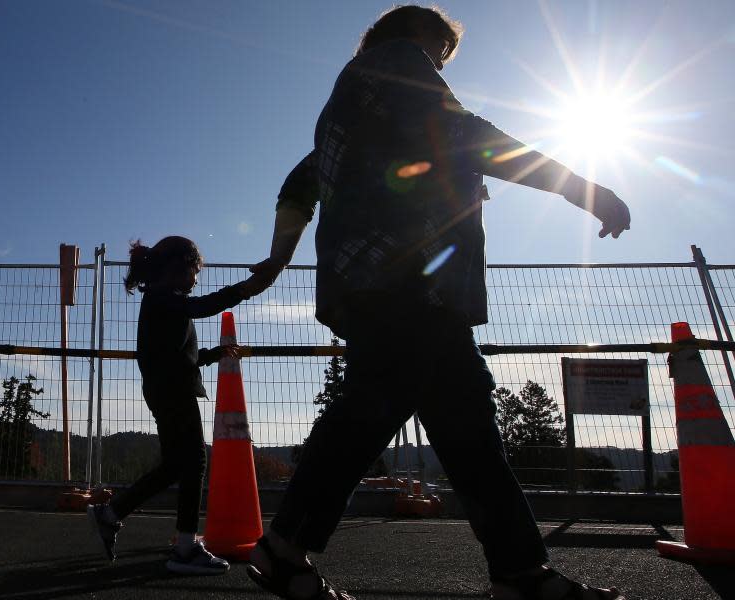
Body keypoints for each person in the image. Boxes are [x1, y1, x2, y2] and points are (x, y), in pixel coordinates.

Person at [246, 6, 630, 600]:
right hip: (405, 275)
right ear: (415, 34)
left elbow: (301, 182)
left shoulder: (348, 105)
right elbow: (469, 136)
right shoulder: (397, 63)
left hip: (386, 281)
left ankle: (519, 571)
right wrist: (585, 189)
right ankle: (283, 545)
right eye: (441, 48)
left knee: (466, 426)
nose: (442, 62)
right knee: (375, 406)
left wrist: (280, 256)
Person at [88, 235, 266, 575]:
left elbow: (178, 356)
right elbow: (200, 307)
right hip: (173, 391)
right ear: (177, 267)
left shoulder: (161, 300)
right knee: (196, 461)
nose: (196, 278)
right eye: (195, 270)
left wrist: (213, 355)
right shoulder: (164, 298)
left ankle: (109, 515)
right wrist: (246, 288)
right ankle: (185, 547)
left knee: (173, 466)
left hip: (164, 388)